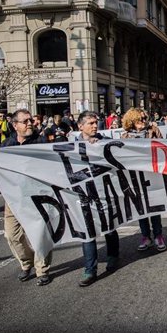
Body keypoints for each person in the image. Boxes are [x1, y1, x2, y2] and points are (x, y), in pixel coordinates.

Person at [0, 109, 53, 285]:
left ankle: (42, 269)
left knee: (40, 234)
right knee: (12, 235)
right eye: (25, 121)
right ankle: (27, 262)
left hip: (36, 196)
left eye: (30, 121)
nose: (30, 124)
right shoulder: (7, 145)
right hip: (13, 198)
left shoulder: (39, 143)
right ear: (15, 125)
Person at [72, 111, 120, 286]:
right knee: (87, 232)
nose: (94, 126)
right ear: (80, 126)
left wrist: (99, 146)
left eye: (95, 122)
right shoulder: (69, 145)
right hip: (82, 194)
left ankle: (113, 256)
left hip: (103, 192)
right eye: (90, 123)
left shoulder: (104, 141)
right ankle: (90, 270)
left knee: (109, 226)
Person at [121, 108, 167, 252]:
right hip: (135, 176)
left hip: (151, 174)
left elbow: (163, 147)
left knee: (154, 207)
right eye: (139, 119)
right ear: (132, 121)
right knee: (141, 208)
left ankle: (158, 235)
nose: (143, 122)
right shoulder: (125, 136)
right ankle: (145, 236)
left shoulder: (153, 130)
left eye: (144, 118)